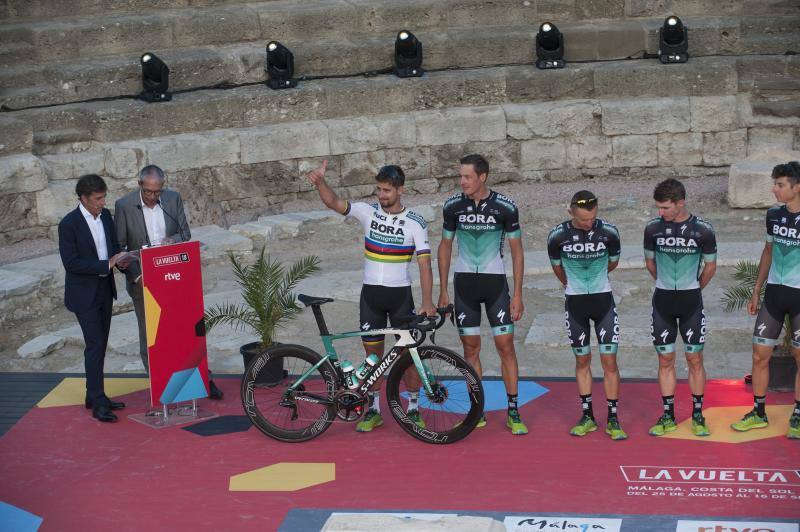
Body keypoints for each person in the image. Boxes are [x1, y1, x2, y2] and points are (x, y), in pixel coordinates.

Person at [307, 160, 436, 432]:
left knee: (408, 355)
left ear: (400, 190)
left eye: (387, 190)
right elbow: (334, 202)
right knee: (372, 356)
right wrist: (320, 183)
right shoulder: (368, 212)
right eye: (379, 189)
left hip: (400, 296)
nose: (382, 195)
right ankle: (374, 409)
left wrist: (427, 301)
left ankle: (413, 407)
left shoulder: (416, 222)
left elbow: (425, 264)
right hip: (371, 297)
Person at [114, 165, 223, 400]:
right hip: (144, 281)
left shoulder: (172, 199)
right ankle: (159, 387)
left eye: (158, 191)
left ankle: (202, 380)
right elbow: (120, 247)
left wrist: (171, 240)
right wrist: (136, 273)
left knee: (185, 331)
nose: (154, 197)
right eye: (150, 192)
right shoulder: (124, 206)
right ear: (140, 185)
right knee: (151, 335)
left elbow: (185, 234)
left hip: (175, 278)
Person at [437, 154, 527, 435]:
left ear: (482, 177)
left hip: (495, 285)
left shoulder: (505, 206)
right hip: (464, 285)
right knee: (470, 350)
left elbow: (517, 251)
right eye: (461, 176)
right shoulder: (452, 206)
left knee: (506, 346)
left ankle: (513, 410)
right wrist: (442, 290)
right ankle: (478, 411)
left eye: (467, 177)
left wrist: (518, 294)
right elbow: (444, 247)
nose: (462, 182)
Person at [547, 191, 626, 440]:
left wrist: (594, 275)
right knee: (582, 361)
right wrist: (573, 285)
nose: (588, 224)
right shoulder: (557, 235)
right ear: (571, 212)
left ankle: (613, 418)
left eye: (592, 218)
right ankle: (588, 416)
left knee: (609, 362)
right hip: (575, 303)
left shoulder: (609, 232)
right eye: (582, 220)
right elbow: (557, 267)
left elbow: (612, 263)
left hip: (603, 301)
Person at [643, 178, 717, 437]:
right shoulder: (653, 229)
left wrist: (694, 288)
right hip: (662, 301)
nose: (659, 213)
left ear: (680, 203)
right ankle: (667, 415)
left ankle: (698, 415)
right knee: (665, 359)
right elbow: (650, 264)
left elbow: (710, 267)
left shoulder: (703, 230)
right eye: (658, 208)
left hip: (691, 303)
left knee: (694, 359)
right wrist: (665, 285)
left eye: (665, 208)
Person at [732, 161, 800, 439]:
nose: (774, 190)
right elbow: (768, 251)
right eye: (775, 184)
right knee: (760, 355)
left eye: (780, 185)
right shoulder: (774, 215)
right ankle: (758, 412)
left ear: (797, 188)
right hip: (774, 293)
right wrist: (757, 289)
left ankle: (798, 415)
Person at [59, 174, 132, 422]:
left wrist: (122, 260)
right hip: (83, 294)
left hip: (104, 289)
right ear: (84, 198)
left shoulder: (107, 216)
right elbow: (71, 263)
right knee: (95, 345)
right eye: (98, 199)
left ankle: (94, 394)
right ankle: (98, 401)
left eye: (104, 197)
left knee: (99, 345)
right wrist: (105, 264)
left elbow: (111, 249)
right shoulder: (68, 224)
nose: (102, 202)